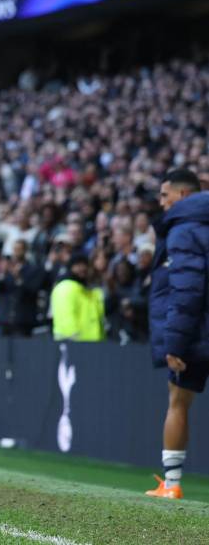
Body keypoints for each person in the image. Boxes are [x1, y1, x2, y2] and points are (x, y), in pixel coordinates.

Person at [145, 169, 209, 499]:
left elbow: (186, 289)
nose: (161, 202)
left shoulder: (183, 230)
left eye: (165, 195)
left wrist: (175, 342)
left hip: (195, 334)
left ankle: (171, 484)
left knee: (178, 402)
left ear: (183, 196)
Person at [49, 252, 105, 342]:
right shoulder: (65, 287)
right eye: (78, 265)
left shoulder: (89, 290)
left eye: (85, 265)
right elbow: (66, 319)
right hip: (74, 345)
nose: (83, 268)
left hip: (93, 344)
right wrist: (74, 343)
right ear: (70, 267)